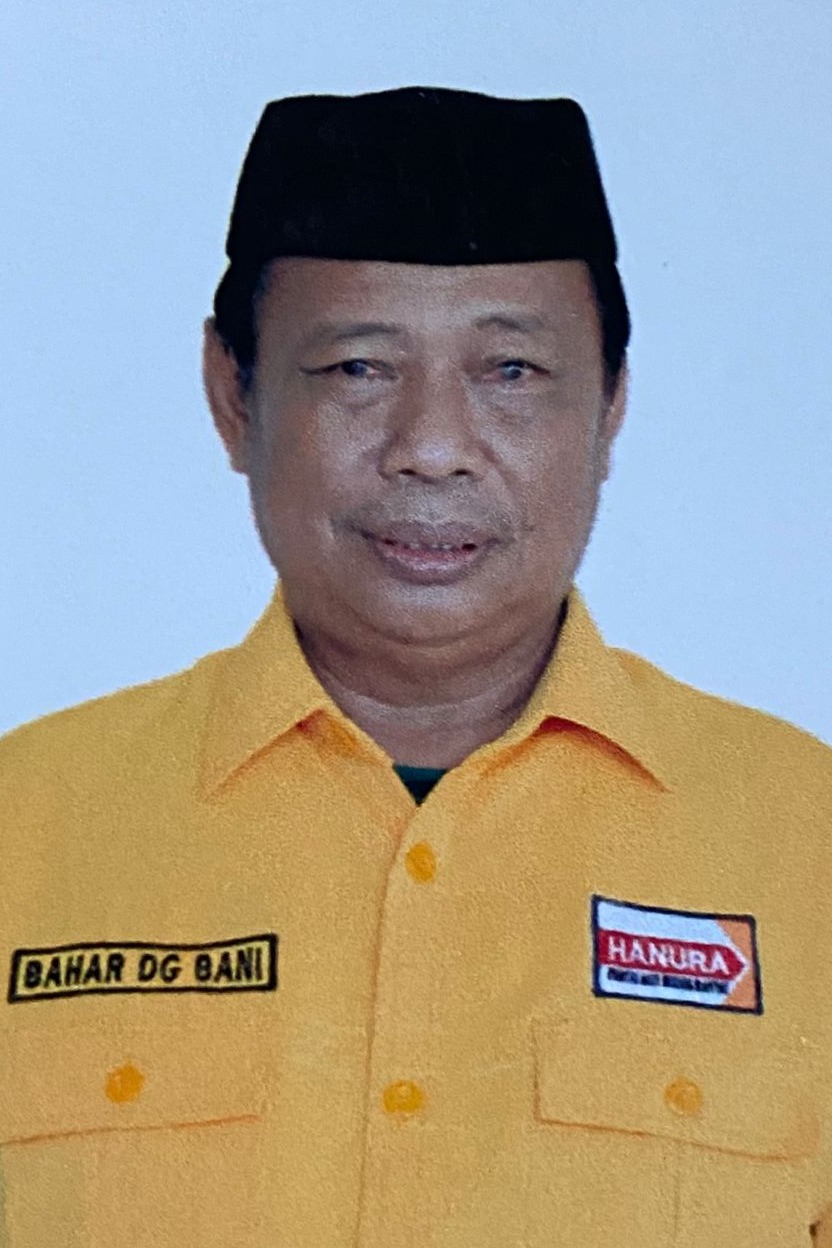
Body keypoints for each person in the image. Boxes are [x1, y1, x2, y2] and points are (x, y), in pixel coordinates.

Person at [1, 85, 831, 1248]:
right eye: (357, 368)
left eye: (511, 372)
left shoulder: (805, 841)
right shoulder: (25, 825)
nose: (432, 448)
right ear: (233, 396)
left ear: (610, 407)